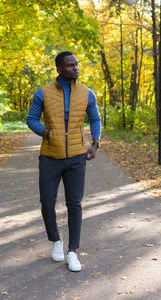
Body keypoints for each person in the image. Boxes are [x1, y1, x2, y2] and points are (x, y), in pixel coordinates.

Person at [27, 51, 101, 272]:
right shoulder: (43, 93)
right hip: (50, 156)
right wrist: (45, 133)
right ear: (59, 69)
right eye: (70, 65)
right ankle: (56, 241)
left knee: (74, 204)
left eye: (76, 64)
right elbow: (31, 119)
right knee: (47, 202)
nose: (75, 68)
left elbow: (95, 118)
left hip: (77, 157)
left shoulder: (87, 93)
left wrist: (95, 143)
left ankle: (73, 252)